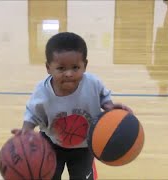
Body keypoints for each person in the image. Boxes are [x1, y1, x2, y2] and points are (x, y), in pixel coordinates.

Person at [11, 32, 133, 180]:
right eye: (61, 68)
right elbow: (32, 114)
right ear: (48, 68)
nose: (68, 73)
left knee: (81, 177)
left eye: (75, 67)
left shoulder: (93, 84)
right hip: (51, 144)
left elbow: (104, 98)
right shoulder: (42, 92)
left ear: (85, 66)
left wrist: (110, 107)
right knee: (49, 176)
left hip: (85, 146)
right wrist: (26, 131)